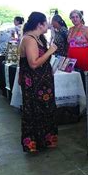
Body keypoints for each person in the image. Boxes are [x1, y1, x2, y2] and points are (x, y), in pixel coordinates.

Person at [19, 12, 58, 153]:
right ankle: (34, 142)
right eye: (46, 22)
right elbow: (33, 64)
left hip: (42, 83)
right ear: (40, 24)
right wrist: (50, 52)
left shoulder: (38, 38)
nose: (48, 25)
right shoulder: (29, 39)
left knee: (45, 110)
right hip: (34, 84)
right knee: (35, 111)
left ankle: (45, 140)